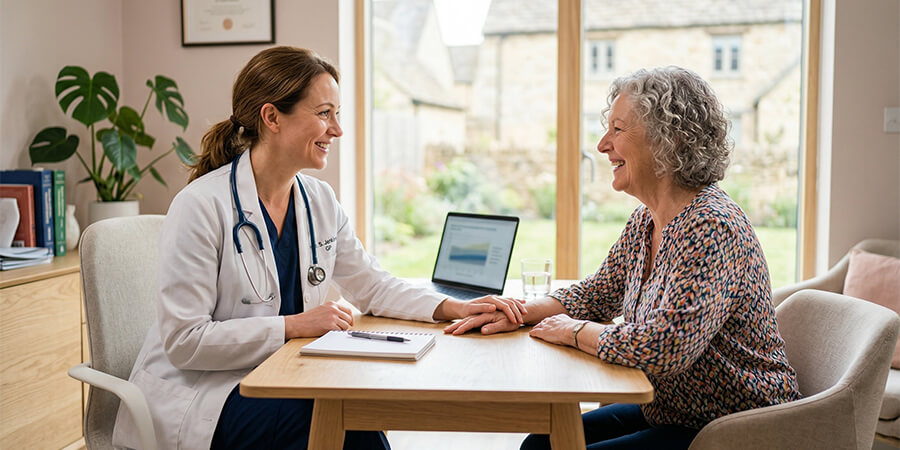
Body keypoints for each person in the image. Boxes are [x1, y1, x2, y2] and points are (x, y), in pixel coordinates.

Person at [111, 46, 525, 450]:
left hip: (285, 376)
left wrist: (453, 307)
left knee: (350, 410)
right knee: (339, 420)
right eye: (324, 114)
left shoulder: (318, 200)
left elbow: (373, 286)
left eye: (336, 115)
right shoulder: (201, 206)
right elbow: (186, 341)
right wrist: (294, 325)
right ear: (272, 117)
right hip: (209, 396)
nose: (337, 130)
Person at [445, 66, 802, 450]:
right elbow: (599, 293)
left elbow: (663, 347)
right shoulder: (647, 219)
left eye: (618, 129)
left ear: (671, 139)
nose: (602, 144)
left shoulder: (712, 226)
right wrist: (518, 311)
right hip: (672, 411)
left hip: (730, 425)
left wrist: (573, 331)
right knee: (540, 444)